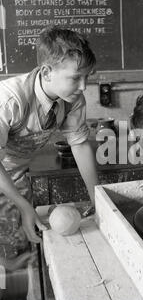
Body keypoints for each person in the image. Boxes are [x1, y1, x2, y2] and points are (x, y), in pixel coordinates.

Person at [0, 26, 99, 286]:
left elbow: (78, 144)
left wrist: (96, 198)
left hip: (15, 175)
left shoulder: (72, 98)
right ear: (46, 72)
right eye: (76, 77)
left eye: (87, 77)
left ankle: (27, 296)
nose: (83, 86)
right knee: (6, 259)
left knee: (24, 248)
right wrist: (23, 205)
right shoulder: (10, 100)